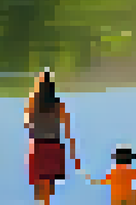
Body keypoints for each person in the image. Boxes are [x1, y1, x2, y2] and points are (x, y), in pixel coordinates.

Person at [25, 69, 79, 204]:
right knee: (49, 188)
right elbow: (67, 131)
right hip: (54, 146)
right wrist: (73, 155)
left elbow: (28, 124)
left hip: (38, 146)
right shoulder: (58, 105)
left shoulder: (32, 103)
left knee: (38, 188)